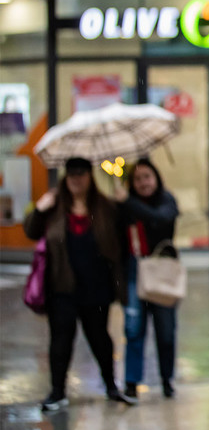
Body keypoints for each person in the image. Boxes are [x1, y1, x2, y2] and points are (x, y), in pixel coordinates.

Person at [23, 156, 135, 412]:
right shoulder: (53, 207)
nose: (76, 179)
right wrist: (39, 209)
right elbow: (31, 231)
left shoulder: (105, 207)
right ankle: (57, 391)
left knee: (100, 339)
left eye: (81, 174)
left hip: (97, 287)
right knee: (61, 340)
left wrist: (124, 203)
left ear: (89, 177)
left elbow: (122, 237)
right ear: (66, 178)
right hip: (61, 287)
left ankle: (111, 386)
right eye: (71, 174)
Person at [114, 157, 179, 401]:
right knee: (133, 328)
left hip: (162, 273)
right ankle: (131, 382)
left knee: (165, 331)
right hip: (134, 271)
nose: (143, 183)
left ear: (156, 178)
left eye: (147, 177)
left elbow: (160, 218)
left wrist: (128, 202)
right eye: (138, 178)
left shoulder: (166, 200)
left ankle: (166, 379)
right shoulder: (123, 206)